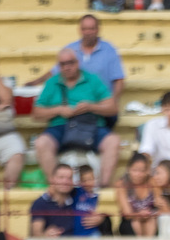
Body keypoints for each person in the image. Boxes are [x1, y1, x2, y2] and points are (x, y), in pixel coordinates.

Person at [32, 49, 121, 189]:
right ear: (58, 66)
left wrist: (90, 107)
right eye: (62, 64)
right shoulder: (52, 82)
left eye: (71, 62)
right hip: (60, 126)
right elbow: (36, 113)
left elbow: (112, 107)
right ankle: (56, 187)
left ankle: (103, 187)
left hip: (91, 126)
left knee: (113, 141)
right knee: (41, 143)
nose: (67, 67)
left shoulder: (93, 79)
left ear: (78, 62)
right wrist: (59, 110)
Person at [26, 16, 125, 132]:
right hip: (74, 106)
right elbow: (55, 71)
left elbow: (119, 80)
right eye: (84, 29)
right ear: (80, 30)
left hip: (99, 103)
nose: (87, 32)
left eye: (91, 29)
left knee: (107, 121)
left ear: (98, 29)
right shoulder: (71, 48)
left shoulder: (109, 50)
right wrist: (36, 82)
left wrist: (111, 102)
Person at [30, 164, 103, 237]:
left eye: (69, 178)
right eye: (61, 177)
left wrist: (100, 218)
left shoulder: (76, 196)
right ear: (52, 179)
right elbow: (36, 234)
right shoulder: (41, 203)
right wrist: (45, 235)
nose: (65, 182)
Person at [0, 51, 26, 195]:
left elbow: (6, 100)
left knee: (17, 152)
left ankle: (8, 194)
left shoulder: (4, 81)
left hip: (5, 133)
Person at [116, 153, 163, 237]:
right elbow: (127, 213)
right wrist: (139, 215)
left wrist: (149, 213)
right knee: (136, 222)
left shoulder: (152, 181)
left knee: (151, 221)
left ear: (147, 171)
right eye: (135, 170)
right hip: (131, 221)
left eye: (142, 171)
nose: (138, 174)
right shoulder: (121, 184)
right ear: (128, 169)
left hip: (150, 219)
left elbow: (159, 203)